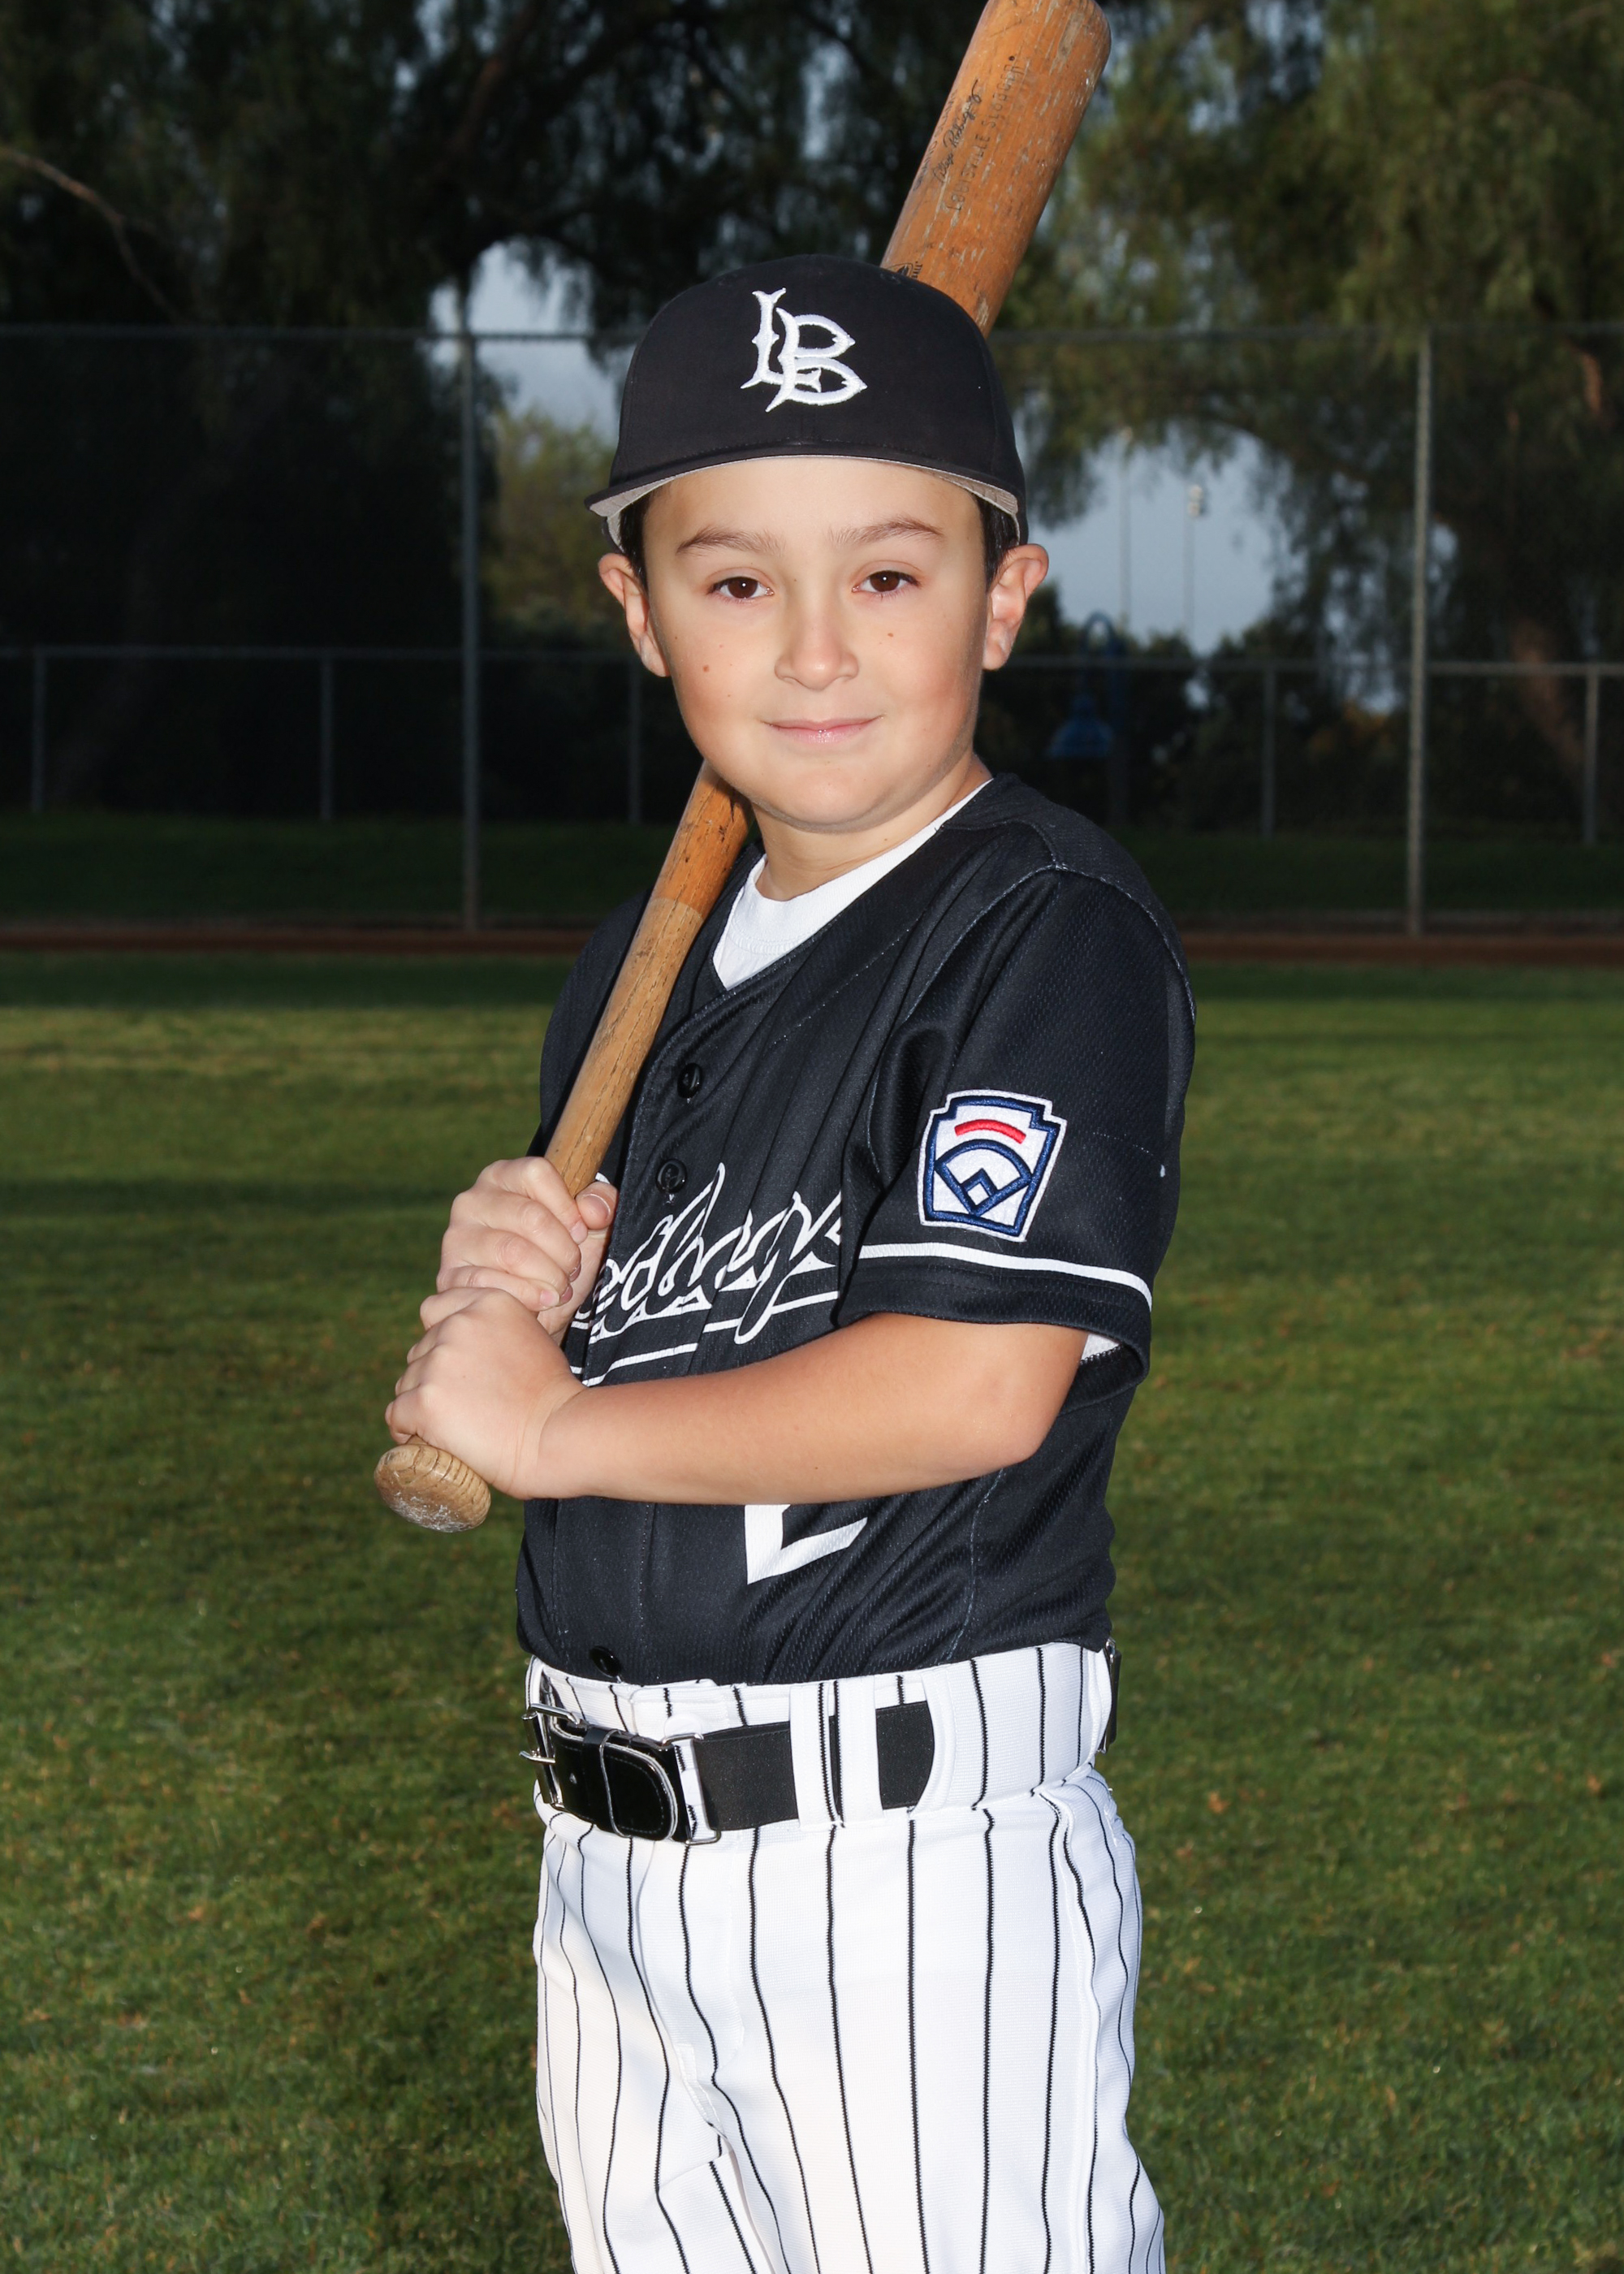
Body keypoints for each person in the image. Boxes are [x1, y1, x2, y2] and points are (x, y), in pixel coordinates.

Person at [386, 253, 1194, 2274]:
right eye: (738, 579)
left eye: (890, 574)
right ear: (639, 609)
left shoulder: (1037, 928)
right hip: (608, 1863)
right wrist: (522, 1276)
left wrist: (551, 1429)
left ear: (1003, 597)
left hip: (902, 1870)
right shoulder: (634, 976)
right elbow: (650, 1340)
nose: (817, 646)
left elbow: (969, 1377)